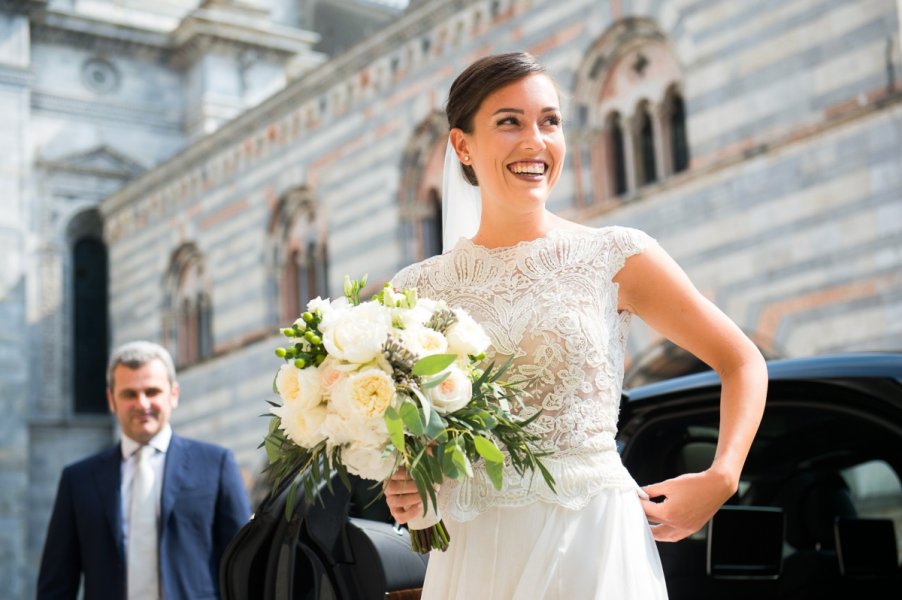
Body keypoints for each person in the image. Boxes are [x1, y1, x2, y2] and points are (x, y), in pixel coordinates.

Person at [385, 52, 768, 599]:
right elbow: (417, 448)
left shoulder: (616, 256)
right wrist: (407, 487)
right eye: (509, 121)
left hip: (593, 539)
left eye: (550, 121)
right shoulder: (416, 291)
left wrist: (722, 477)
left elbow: (742, 361)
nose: (536, 141)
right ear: (462, 145)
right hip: (476, 553)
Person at [37, 341, 252, 600]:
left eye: (152, 391)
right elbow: (56, 585)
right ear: (111, 400)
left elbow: (245, 566)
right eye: (129, 394)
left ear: (173, 394)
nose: (142, 403)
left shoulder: (216, 465)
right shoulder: (78, 480)